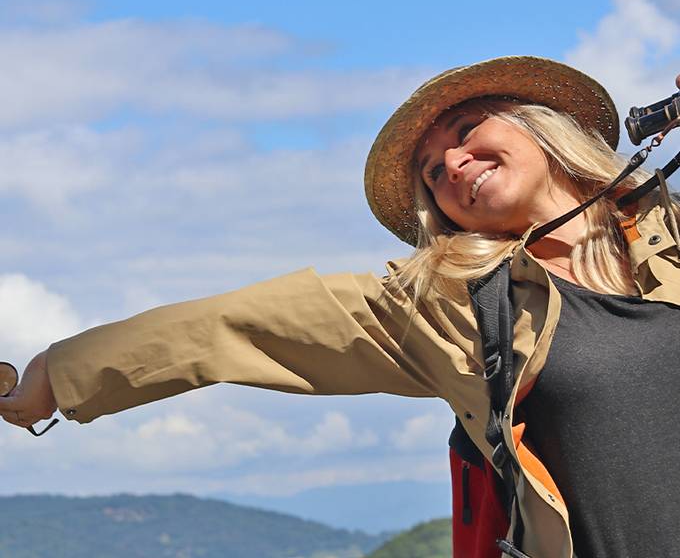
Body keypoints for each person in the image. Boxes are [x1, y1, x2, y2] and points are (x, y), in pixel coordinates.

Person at [1, 55, 680, 558]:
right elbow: (236, 325)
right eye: (433, 173)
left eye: (469, 129)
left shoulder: (670, 228)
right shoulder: (449, 307)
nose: (454, 163)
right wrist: (60, 373)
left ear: (543, 130)